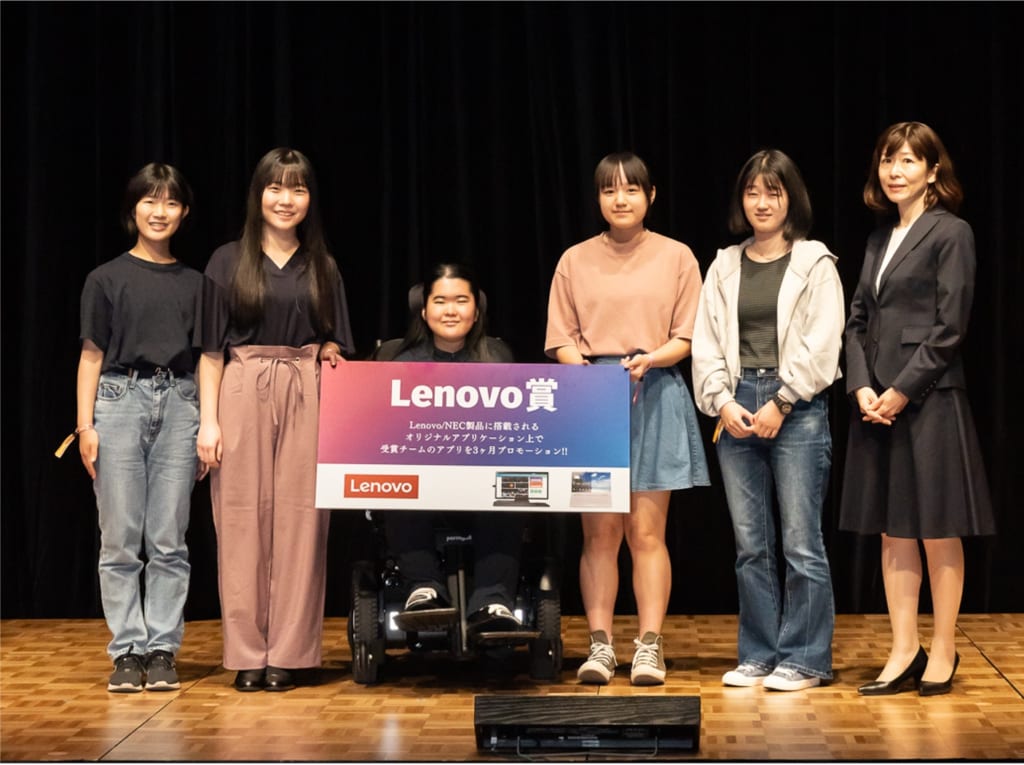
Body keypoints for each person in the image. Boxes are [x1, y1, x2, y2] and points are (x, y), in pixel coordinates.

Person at [840, 122, 995, 697]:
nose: (895, 170)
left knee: (937, 528)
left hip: (928, 400)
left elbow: (950, 327)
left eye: (908, 160)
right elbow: (857, 321)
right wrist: (861, 386)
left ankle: (945, 646)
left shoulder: (952, 232)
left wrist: (903, 389)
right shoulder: (878, 238)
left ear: (932, 170)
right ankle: (904, 647)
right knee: (893, 530)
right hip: (876, 403)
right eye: (887, 159)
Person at [545, 152, 709, 686]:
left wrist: (651, 359)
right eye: (609, 190)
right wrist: (587, 374)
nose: (620, 199)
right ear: (598, 198)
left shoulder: (677, 256)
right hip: (593, 401)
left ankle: (649, 647)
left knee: (646, 532)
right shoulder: (574, 259)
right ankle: (600, 646)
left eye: (631, 189)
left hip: (655, 393)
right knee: (600, 534)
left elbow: (688, 335)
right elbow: (561, 338)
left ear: (651, 195)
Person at [197, 147, 354, 692]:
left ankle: (289, 652)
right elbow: (210, 351)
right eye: (276, 188)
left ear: (310, 200)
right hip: (242, 384)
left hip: (305, 387)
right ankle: (247, 653)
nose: (286, 200)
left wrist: (329, 348)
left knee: (302, 520)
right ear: (258, 195)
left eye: (298, 189)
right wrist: (209, 422)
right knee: (240, 519)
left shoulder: (322, 266)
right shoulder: (226, 261)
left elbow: (334, 337)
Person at [692, 149, 844, 691]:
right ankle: (759, 654)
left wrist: (782, 401)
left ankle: (805, 659)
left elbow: (823, 342)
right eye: (752, 192)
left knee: (802, 542)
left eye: (772, 192)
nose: (761, 202)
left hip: (795, 406)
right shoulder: (724, 265)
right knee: (750, 544)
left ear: (790, 199)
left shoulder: (815, 263)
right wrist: (722, 401)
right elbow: (707, 341)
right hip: (737, 404)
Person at [69, 162, 202, 692]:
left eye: (170, 202)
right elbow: (90, 354)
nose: (159, 211)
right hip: (118, 400)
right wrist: (85, 426)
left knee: (169, 539)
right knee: (120, 538)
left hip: (181, 403)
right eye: (150, 200)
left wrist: (206, 424)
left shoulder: (197, 283)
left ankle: (162, 647)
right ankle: (127, 649)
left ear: (183, 212)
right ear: (133, 209)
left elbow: (208, 359)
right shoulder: (105, 278)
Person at [384, 262, 526, 639]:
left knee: (513, 490)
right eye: (440, 301)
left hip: (482, 482)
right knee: (398, 487)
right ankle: (424, 589)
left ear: (476, 310)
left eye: (461, 301)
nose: (451, 310)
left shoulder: (498, 358)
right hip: (422, 483)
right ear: (424, 310)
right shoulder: (398, 362)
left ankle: (493, 601)